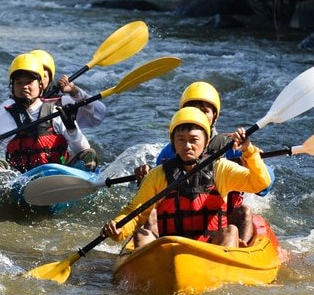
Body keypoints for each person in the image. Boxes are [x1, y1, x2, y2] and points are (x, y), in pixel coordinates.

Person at [102, 106, 271, 249]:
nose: (187, 145)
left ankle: (224, 274)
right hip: (171, 250)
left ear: (205, 143)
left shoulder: (221, 168)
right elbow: (136, 212)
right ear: (173, 143)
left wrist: (248, 151)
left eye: (194, 139)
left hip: (212, 249)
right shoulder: (158, 175)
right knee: (141, 235)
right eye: (181, 140)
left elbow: (260, 183)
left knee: (231, 231)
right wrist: (119, 229)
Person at [0, 53, 97, 172]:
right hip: (19, 178)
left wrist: (71, 129)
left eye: (29, 82)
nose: (24, 86)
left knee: (89, 155)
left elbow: (82, 149)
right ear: (12, 87)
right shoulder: (5, 114)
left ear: (41, 85)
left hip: (58, 173)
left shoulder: (57, 110)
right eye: (19, 82)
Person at [29, 49, 107, 130]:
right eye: (33, 77)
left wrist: (74, 91)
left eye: (43, 76)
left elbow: (99, 114)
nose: (39, 80)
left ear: (50, 78)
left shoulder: (62, 103)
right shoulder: (15, 103)